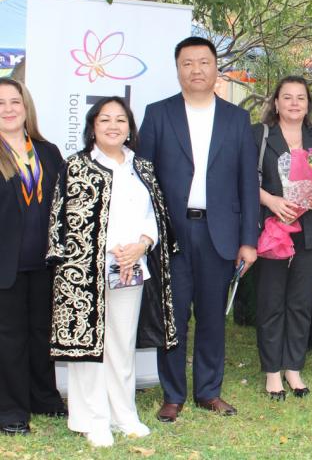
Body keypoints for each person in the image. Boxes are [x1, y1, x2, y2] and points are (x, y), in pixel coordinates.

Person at [139, 36, 259, 422]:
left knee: (211, 317)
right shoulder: (158, 114)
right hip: (171, 234)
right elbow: (143, 179)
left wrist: (249, 241)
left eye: (203, 62)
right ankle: (172, 394)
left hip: (219, 234)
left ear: (215, 68)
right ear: (177, 70)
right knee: (172, 317)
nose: (196, 70)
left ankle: (208, 391)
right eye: (187, 63)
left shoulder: (236, 118)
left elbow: (247, 183)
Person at [47, 97, 177, 447]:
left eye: (121, 120)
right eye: (105, 119)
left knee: (122, 344)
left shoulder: (142, 167)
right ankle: (93, 419)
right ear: (93, 126)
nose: (113, 126)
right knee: (89, 347)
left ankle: (124, 414)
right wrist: (110, 249)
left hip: (131, 269)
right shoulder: (76, 166)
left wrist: (141, 245)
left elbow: (155, 215)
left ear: (129, 128)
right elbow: (64, 221)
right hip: (85, 273)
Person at [253, 76, 312, 400]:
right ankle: (272, 372)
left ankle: (293, 369)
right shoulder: (260, 135)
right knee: (272, 302)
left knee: (300, 303)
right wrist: (271, 201)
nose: (294, 103)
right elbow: (244, 179)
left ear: (308, 104)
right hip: (274, 230)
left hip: (309, 231)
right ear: (276, 102)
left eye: (301, 97)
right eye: (287, 97)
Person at [0, 78, 66, 436]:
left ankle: (44, 398)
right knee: (9, 340)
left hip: (45, 264)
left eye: (15, 101)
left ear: (26, 108)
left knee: (42, 334)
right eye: (0, 103)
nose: (8, 109)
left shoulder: (47, 152)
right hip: (5, 265)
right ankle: (11, 410)